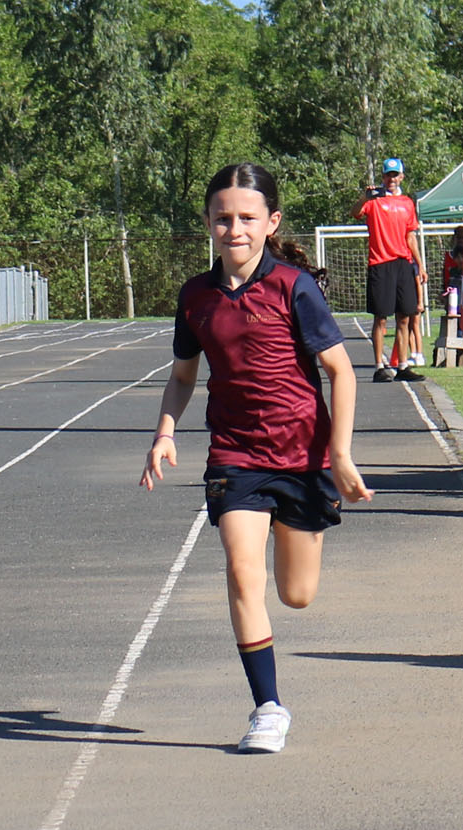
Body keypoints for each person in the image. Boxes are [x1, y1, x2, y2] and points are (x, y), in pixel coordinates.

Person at [140, 162, 373, 754]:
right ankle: (267, 708)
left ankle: (299, 542)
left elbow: (341, 372)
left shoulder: (294, 286)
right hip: (234, 455)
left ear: (271, 223)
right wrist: (166, 431)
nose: (234, 229)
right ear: (208, 224)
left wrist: (340, 455)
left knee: (296, 594)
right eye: (223, 218)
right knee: (242, 572)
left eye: (247, 218)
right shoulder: (195, 296)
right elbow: (183, 377)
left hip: (303, 457)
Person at [352, 157, 426, 382]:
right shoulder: (374, 200)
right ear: (383, 177)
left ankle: (402, 365)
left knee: (405, 316)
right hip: (380, 263)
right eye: (388, 175)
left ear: (401, 176)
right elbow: (355, 212)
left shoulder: (406, 203)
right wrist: (364, 196)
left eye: (395, 175)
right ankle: (379, 366)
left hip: (402, 262)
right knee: (381, 317)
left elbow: (410, 235)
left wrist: (419, 264)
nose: (391, 179)